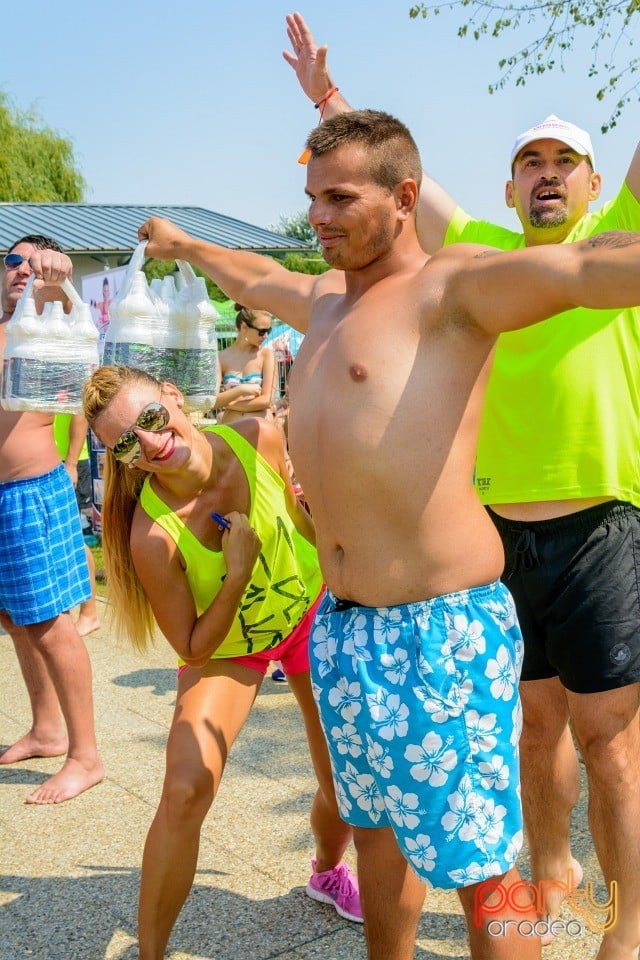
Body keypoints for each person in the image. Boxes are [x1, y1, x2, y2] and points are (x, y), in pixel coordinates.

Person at [136, 108, 640, 959]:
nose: (317, 216)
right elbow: (256, 276)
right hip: (345, 627)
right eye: (311, 197)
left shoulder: (457, 286)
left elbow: (589, 266)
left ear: (405, 197)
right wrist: (185, 245)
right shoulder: (325, 298)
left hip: (442, 629)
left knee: (482, 865)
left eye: (339, 198)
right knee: (376, 835)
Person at [282, 16, 640, 959]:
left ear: (598, 184)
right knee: (476, 777)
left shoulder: (523, 267)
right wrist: (327, 97)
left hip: (589, 528)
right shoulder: (465, 245)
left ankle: (627, 920)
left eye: (568, 159)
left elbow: (592, 266)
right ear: (507, 180)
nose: (548, 171)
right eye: (530, 158)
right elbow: (389, 176)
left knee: (599, 752)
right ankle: (554, 875)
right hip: (442, 557)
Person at [82, 364, 361, 960]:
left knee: (342, 776)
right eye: (128, 442)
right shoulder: (152, 537)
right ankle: (150, 953)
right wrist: (236, 573)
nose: (152, 444)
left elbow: (303, 523)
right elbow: (191, 646)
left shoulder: (259, 435)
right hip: (229, 645)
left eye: (152, 419)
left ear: (174, 399)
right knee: (184, 790)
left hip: (311, 611)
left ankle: (327, 871)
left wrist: (347, 556)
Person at [0, 235, 104, 804]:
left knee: (47, 622)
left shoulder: (45, 324)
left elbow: (78, 342)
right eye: (14, 261)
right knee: (15, 619)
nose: (22, 271)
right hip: (3, 497)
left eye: (32, 264)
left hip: (27, 494)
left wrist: (57, 280)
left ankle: (85, 756)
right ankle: (46, 729)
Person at [53, 412, 101, 637]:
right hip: (46, 459)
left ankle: (89, 613)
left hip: (66, 460)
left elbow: (79, 413)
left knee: (71, 537)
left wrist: (71, 463)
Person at [213, 303, 276, 424]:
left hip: (260, 431)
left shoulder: (267, 355)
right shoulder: (221, 357)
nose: (266, 336)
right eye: (262, 331)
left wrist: (229, 403)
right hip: (231, 430)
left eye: (269, 330)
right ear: (244, 327)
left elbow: (267, 400)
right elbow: (213, 401)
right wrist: (240, 390)